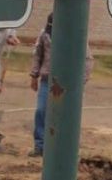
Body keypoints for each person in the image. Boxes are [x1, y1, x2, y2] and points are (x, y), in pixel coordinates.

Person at [29, 13, 94, 157]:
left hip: (68, 84)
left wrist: (80, 82)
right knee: (41, 111)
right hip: (47, 81)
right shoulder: (44, 35)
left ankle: (64, 148)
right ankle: (40, 146)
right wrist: (34, 76)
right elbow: (37, 55)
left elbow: (88, 60)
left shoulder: (77, 36)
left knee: (66, 116)